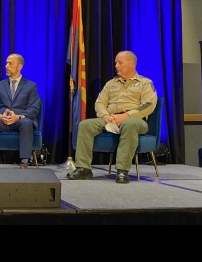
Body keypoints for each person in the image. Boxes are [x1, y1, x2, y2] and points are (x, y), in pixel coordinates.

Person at [67, 50, 157, 184]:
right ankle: (84, 169)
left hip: (135, 120)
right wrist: (105, 115)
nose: (116, 65)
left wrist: (126, 116)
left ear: (131, 64)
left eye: (119, 62)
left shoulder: (144, 83)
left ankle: (122, 170)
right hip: (110, 118)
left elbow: (148, 105)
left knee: (130, 124)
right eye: (116, 63)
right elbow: (100, 102)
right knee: (85, 125)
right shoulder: (111, 83)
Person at [0, 53, 41, 168]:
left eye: (10, 63)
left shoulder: (31, 86)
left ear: (19, 67)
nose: (6, 66)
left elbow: (33, 109)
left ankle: (24, 161)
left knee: (26, 123)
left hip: (20, 120)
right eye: (6, 63)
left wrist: (18, 116)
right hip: (3, 120)